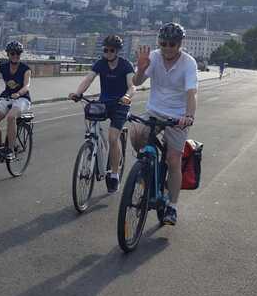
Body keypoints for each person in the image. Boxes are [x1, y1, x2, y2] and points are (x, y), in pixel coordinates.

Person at [130, 22, 197, 225]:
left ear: (180, 44)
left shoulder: (189, 63)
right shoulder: (153, 57)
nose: (167, 47)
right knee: (136, 134)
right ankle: (145, 168)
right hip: (154, 111)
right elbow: (136, 82)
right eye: (164, 43)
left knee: (173, 160)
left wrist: (188, 115)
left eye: (172, 44)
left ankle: (172, 206)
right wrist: (141, 69)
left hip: (177, 116)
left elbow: (192, 93)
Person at [68, 35, 135, 193]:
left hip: (120, 105)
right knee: (92, 124)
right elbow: (88, 79)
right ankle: (93, 145)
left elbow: (132, 86)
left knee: (113, 138)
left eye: (112, 50)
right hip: (104, 103)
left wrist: (127, 96)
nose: (108, 53)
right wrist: (78, 93)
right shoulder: (100, 64)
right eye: (106, 50)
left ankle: (114, 174)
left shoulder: (126, 65)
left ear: (117, 51)